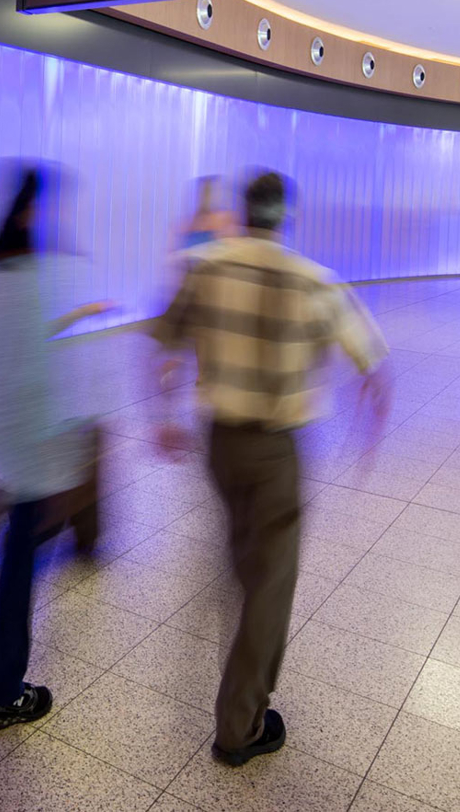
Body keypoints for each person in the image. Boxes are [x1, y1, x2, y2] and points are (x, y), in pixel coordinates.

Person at [149, 171, 389, 767]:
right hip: (276, 451)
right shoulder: (315, 282)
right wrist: (368, 439)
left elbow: (161, 345)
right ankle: (239, 727)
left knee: (247, 560)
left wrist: (163, 416)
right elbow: (375, 372)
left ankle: (251, 672)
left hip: (219, 445)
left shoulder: (203, 268)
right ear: (286, 216)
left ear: (241, 210)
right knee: (270, 588)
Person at [0, 163, 111, 733]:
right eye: (49, 206)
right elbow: (43, 364)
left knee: (22, 538)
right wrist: (73, 440)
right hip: (37, 431)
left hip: (9, 428)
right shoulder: (36, 272)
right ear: (29, 211)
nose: (56, 216)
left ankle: (0, 682)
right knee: (21, 557)